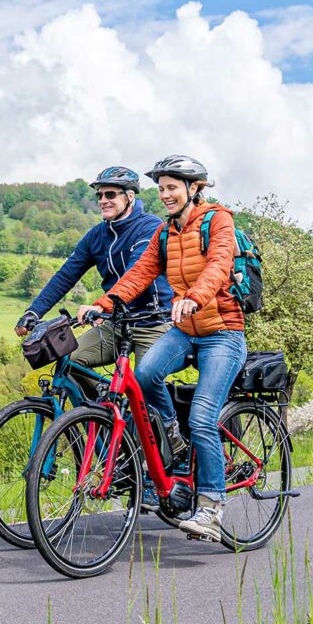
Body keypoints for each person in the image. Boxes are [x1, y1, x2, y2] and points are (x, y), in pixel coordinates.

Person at [86, 154, 247, 542]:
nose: (165, 195)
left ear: (194, 189)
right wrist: (104, 304)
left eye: (172, 187)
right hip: (184, 330)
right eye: (161, 189)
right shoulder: (166, 232)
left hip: (222, 332)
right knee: (144, 375)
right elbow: (140, 272)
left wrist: (195, 295)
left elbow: (219, 264)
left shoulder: (217, 220)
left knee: (204, 419)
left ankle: (210, 507)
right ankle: (170, 431)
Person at [14, 165, 172, 381]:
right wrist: (34, 311)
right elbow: (66, 275)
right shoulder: (97, 235)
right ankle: (100, 413)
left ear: (130, 196)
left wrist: (100, 304)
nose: (102, 200)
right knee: (71, 362)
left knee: (146, 383)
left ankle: (163, 416)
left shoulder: (150, 227)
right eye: (99, 195)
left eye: (110, 194)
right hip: (115, 323)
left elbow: (136, 273)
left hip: (153, 322)